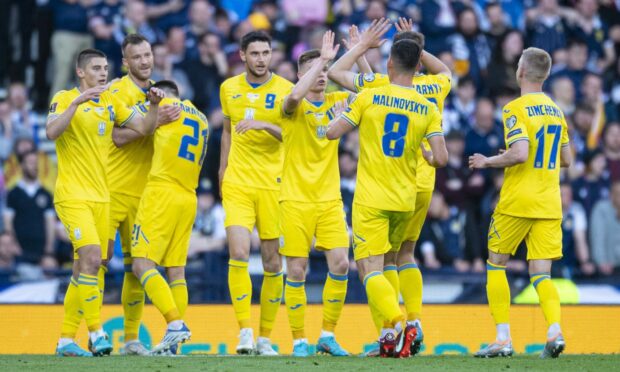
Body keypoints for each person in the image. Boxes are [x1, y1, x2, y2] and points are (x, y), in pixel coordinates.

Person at [328, 17, 452, 356]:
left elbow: (338, 77)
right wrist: (426, 154)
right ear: (419, 57)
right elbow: (441, 157)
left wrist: (361, 46)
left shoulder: (372, 93)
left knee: (372, 268)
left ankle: (397, 325)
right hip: (412, 189)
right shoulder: (432, 93)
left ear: (390, 61)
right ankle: (408, 324)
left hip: (373, 194)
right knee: (403, 256)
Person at [47, 48, 164, 357]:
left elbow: (143, 128)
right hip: (73, 195)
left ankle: (65, 340)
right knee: (91, 256)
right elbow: (51, 132)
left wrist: (153, 106)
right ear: (81, 72)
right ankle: (97, 333)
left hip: (103, 196)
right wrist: (76, 103)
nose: (102, 73)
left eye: (105, 68)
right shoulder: (64, 97)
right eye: (96, 68)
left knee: (82, 268)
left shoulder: (111, 100)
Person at [469, 47, 572, 358]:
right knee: (541, 273)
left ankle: (502, 339)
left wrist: (488, 161)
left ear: (522, 72)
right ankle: (554, 331)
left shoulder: (515, 108)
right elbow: (566, 159)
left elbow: (520, 153)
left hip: (518, 201)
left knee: (495, 264)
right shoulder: (556, 109)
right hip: (549, 201)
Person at [218, 30, 293, 355]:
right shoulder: (228, 88)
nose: (262, 59)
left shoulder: (287, 90)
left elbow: (293, 137)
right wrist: (222, 170)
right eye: (256, 53)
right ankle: (245, 332)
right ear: (243, 55)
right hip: (238, 183)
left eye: (266, 53)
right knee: (237, 253)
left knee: (272, 262)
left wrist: (265, 126)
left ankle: (265, 337)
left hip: (274, 184)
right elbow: (226, 131)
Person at [276, 32, 351, 357]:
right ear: (300, 75)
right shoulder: (291, 107)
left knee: (341, 264)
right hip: (294, 200)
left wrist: (359, 50)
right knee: (296, 270)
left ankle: (327, 335)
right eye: (314, 70)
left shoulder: (338, 102)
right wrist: (321, 58)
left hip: (329, 200)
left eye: (325, 70)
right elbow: (292, 98)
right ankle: (298, 341)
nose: (321, 75)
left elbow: (367, 88)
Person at [106, 33, 180, 356]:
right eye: (137, 57)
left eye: (148, 54)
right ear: (125, 62)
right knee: (95, 262)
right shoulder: (115, 91)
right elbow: (116, 138)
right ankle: (89, 334)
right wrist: (150, 121)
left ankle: (132, 338)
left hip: (146, 193)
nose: (145, 61)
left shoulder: (162, 93)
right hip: (111, 188)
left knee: (135, 266)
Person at [131, 80, 208, 354]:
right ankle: (172, 346)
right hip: (188, 197)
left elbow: (133, 126)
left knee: (141, 264)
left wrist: (151, 105)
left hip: (161, 192)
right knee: (176, 270)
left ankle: (175, 323)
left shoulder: (163, 106)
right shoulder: (201, 117)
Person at [3, 150, 57, 274]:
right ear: (22, 165)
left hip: (41, 252)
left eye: (36, 163)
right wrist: (13, 245)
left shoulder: (46, 194)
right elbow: (8, 222)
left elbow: (50, 223)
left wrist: (49, 249)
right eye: (31, 162)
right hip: (19, 251)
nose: (35, 166)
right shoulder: (13, 193)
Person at [590, 180, 620, 276]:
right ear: (611, 196)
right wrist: (601, 261)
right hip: (608, 267)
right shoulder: (601, 209)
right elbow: (597, 237)